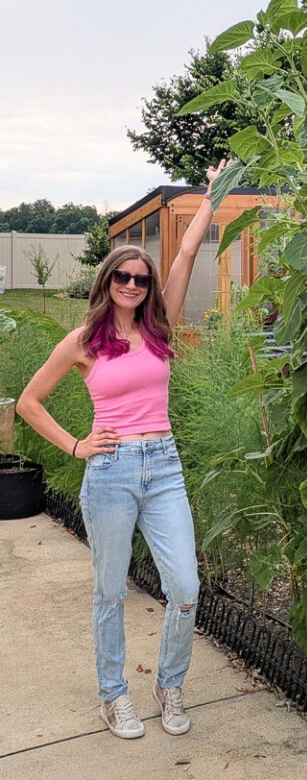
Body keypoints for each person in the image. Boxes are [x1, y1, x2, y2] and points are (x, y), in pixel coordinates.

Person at [17, 161, 229, 740]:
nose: (133, 286)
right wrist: (77, 444)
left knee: (184, 586)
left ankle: (169, 684)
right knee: (111, 590)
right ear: (107, 281)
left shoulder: (159, 326)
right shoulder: (85, 340)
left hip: (163, 467)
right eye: (123, 278)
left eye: (140, 279)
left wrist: (211, 196)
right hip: (109, 471)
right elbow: (28, 403)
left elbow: (184, 256)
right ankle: (113, 696)